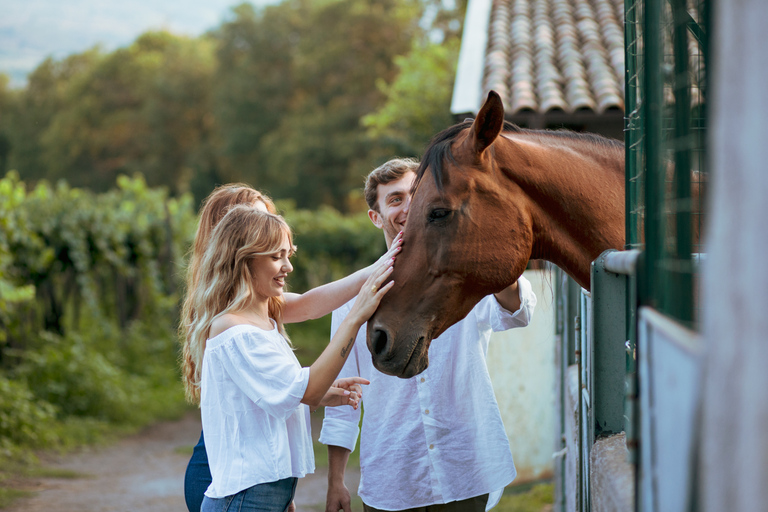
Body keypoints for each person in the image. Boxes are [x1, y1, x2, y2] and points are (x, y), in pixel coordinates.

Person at [320, 158, 538, 512]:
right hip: (392, 477)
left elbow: (518, 312)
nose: (408, 207)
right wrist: (335, 482)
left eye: (415, 195)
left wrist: (493, 251)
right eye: (394, 200)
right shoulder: (350, 298)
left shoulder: (461, 274)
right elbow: (344, 396)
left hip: (465, 468)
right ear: (376, 217)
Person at [182, 184, 402, 512]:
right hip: (244, 493)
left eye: (288, 254)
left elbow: (272, 395)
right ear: (243, 254)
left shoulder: (260, 317)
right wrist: (356, 316)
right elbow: (307, 389)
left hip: (263, 491)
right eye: (276, 256)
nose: (289, 268)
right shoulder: (237, 330)